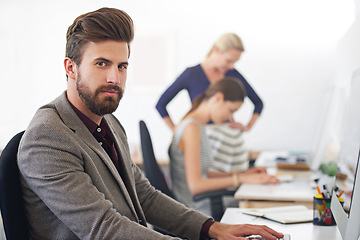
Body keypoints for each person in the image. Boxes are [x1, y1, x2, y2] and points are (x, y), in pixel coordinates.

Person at [17, 8, 284, 240]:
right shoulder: (47, 138)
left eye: (122, 66)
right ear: (70, 67)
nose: (114, 78)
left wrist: (213, 229)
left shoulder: (109, 122)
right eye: (102, 64)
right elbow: (103, 229)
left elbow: (145, 196)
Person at [169, 77, 279, 216]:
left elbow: (204, 172)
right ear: (218, 98)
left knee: (259, 202)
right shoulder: (191, 128)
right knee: (260, 206)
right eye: (231, 110)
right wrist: (240, 179)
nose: (230, 118)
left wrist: (243, 174)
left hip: (201, 202)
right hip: (195, 209)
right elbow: (196, 186)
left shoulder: (196, 125)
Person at [156, 33, 263, 132]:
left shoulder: (233, 74)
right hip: (200, 133)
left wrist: (248, 127)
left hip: (226, 134)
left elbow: (258, 103)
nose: (231, 66)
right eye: (229, 60)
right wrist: (177, 132)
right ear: (217, 50)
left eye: (235, 62)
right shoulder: (191, 74)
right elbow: (160, 104)